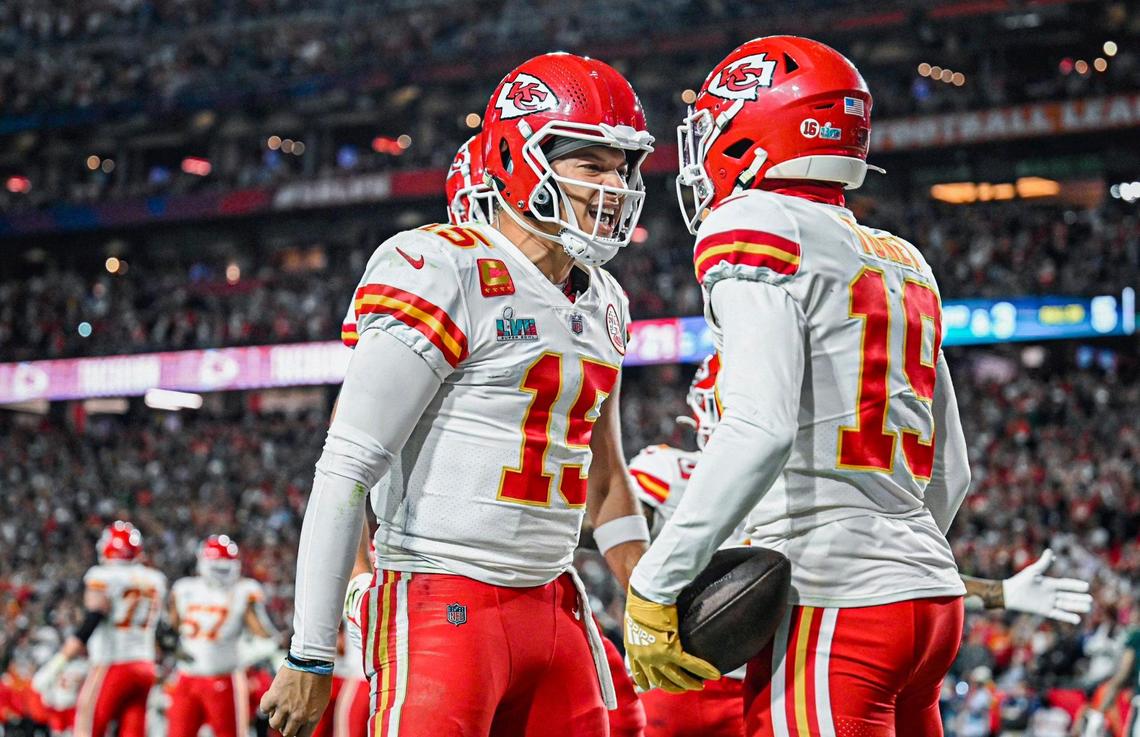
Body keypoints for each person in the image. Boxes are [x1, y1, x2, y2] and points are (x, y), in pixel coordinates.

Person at [624, 35, 1024, 737]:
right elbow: (950, 473)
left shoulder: (753, 224)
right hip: (930, 602)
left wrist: (654, 584)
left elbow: (759, 428)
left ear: (754, 129)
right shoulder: (905, 258)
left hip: (837, 603)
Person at [260, 51, 655, 737]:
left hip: (557, 601)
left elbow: (605, 480)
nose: (612, 187)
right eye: (591, 165)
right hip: (445, 601)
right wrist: (310, 649)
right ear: (520, 156)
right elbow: (348, 463)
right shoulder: (441, 265)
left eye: (622, 167)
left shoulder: (607, 301)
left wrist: (648, 593)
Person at [628, 357, 1090, 737]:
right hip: (694, 677)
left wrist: (998, 593)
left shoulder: (792, 486)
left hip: (780, 670)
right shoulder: (674, 471)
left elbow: (857, 565)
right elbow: (606, 527)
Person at [37, 521, 166, 737]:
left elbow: (92, 619)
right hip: (145, 665)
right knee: (133, 731)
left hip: (113, 664)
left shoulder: (102, 576)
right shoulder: (155, 580)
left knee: (87, 729)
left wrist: (56, 664)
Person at [166, 535, 277, 737]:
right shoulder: (243, 590)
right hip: (191, 676)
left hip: (221, 676)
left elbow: (171, 630)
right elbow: (264, 633)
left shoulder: (184, 589)